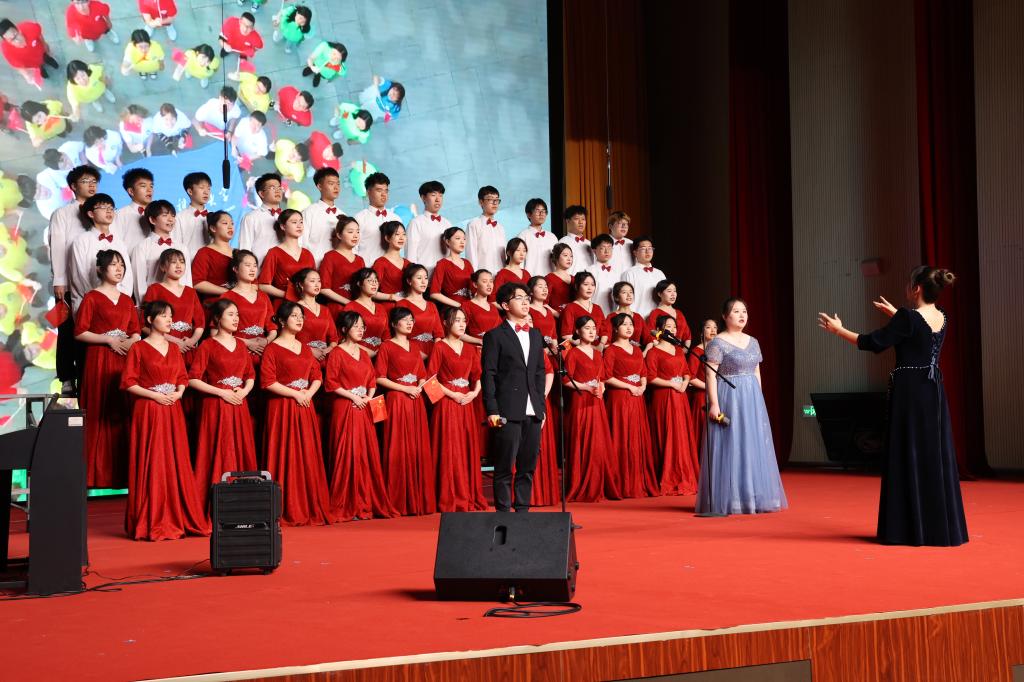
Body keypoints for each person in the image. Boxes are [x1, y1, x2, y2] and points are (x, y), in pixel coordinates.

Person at [817, 266, 968, 547]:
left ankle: (907, 529)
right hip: (933, 390)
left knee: (907, 451)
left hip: (910, 391)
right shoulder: (942, 316)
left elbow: (871, 343)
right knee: (932, 453)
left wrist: (838, 330)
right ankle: (938, 529)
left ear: (916, 288)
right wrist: (897, 315)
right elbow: (918, 334)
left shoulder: (907, 318)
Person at [122, 300, 209, 540]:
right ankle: (152, 518)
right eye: (164, 315)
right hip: (149, 410)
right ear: (150, 320)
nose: (170, 320)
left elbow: (182, 378)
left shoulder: (174, 348)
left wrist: (179, 393)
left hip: (172, 409)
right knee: (152, 460)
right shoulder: (138, 348)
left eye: (171, 315)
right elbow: (128, 382)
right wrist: (155, 396)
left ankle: (176, 514)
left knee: (175, 459)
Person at [697, 298, 787, 516]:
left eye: (744, 311)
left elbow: (756, 371)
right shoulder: (718, 342)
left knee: (752, 444)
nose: (741, 315)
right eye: (736, 311)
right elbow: (710, 374)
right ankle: (732, 498)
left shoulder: (753, 341)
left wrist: (759, 400)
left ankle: (753, 496)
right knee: (732, 443)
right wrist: (714, 403)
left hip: (751, 397)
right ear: (725, 316)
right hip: (729, 395)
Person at [261, 302, 335, 526]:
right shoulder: (272, 348)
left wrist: (308, 394)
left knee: (307, 453)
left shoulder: (304, 347)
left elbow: (317, 376)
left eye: (301, 316)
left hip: (304, 405)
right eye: (294, 316)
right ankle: (287, 506)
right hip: (282, 407)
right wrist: (296, 394)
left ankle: (310, 504)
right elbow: (267, 381)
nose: (300, 319)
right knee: (285, 453)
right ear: (282, 321)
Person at [74, 250, 140, 488]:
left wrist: (130, 342)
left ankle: (123, 473)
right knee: (98, 409)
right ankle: (94, 475)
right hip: (99, 359)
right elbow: (80, 332)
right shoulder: (91, 297)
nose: (119, 269)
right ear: (100, 270)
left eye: (121, 265)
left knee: (122, 410)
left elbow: (136, 331)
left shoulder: (127, 300)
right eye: (113, 265)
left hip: (123, 359)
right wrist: (108, 340)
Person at [324, 311, 397, 521]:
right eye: (356, 326)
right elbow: (331, 382)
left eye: (362, 326)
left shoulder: (364, 354)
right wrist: (353, 397)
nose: (360, 330)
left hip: (364, 406)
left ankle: (365, 501)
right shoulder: (336, 353)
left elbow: (372, 380)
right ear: (344, 329)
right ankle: (347, 502)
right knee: (346, 453)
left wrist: (367, 397)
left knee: (366, 453)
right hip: (345, 407)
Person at [481, 282, 547, 512]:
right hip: (507, 409)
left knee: (527, 466)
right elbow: (488, 375)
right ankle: (503, 514)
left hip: (533, 409)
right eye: (519, 298)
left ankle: (522, 512)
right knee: (504, 466)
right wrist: (492, 409)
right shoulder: (495, 336)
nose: (526, 301)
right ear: (505, 305)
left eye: (527, 297)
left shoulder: (536, 335)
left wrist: (541, 407)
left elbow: (539, 373)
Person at [188, 298, 257, 509]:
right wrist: (221, 393)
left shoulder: (241, 345)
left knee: (240, 449)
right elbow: (193, 379)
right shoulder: (207, 345)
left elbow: (250, 375)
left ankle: (244, 504)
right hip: (216, 406)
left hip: (239, 405)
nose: (236, 319)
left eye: (237, 315)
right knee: (217, 450)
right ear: (217, 318)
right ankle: (217, 504)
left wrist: (244, 391)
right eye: (231, 314)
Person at [429, 307, 487, 512]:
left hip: (466, 402)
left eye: (464, 321)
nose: (462, 324)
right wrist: (452, 394)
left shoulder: (470, 349)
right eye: (457, 320)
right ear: (446, 323)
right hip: (447, 403)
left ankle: (467, 494)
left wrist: (474, 393)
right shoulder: (439, 347)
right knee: (449, 448)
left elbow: (478, 376)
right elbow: (431, 380)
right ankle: (449, 496)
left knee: (465, 447)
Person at [376, 307, 433, 516]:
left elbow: (422, 374)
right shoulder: (386, 346)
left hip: (415, 400)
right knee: (396, 446)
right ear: (394, 324)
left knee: (417, 447)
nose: (410, 323)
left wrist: (418, 386)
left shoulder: (414, 346)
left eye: (411, 320)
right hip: (397, 400)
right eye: (405, 320)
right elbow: (379, 377)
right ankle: (397, 500)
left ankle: (418, 500)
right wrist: (405, 388)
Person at [562, 316, 620, 502]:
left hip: (596, 401)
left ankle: (598, 483)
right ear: (578, 331)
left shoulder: (597, 353)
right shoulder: (573, 353)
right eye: (587, 328)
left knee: (598, 443)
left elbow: (601, 378)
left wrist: (601, 387)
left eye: (594, 328)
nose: (592, 331)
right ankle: (581, 484)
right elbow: (566, 380)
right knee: (582, 440)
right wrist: (586, 387)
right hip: (581, 401)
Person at [50, 165, 97, 392]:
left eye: (94, 181)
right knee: (67, 330)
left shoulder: (101, 211)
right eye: (86, 181)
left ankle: (88, 376)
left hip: (94, 282)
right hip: (68, 283)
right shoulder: (63, 213)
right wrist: (59, 279)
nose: (91, 185)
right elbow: (58, 247)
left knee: (91, 330)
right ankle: (67, 378)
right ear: (73, 186)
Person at [604, 313, 659, 498]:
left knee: (636, 438)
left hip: (637, 398)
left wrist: (642, 386)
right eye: (624, 324)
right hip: (619, 398)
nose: (629, 328)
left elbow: (644, 372)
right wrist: (629, 386)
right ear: (615, 328)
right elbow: (607, 376)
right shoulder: (611, 350)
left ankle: (637, 482)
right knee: (620, 436)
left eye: (631, 324)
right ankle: (621, 483)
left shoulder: (636, 350)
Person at [647, 315, 699, 496]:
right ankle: (668, 476)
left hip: (680, 396)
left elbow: (686, 371)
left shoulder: (678, 350)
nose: (673, 330)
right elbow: (651, 377)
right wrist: (671, 384)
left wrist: (684, 382)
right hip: (664, 397)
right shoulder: (653, 352)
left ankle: (684, 474)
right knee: (667, 433)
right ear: (659, 329)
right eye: (669, 326)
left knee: (681, 435)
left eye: (674, 327)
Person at [69, 193, 135, 311]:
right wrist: (99, 299)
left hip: (119, 304)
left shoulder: (119, 242)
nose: (109, 211)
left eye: (111, 208)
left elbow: (128, 274)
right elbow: (79, 277)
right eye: (103, 207)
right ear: (91, 214)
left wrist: (121, 299)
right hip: (91, 305)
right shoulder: (82, 240)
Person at [141, 249, 204, 363]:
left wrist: (191, 342)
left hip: (188, 347)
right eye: (173, 262)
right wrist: (174, 341)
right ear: (162, 267)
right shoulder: (154, 289)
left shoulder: (191, 292)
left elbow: (200, 323)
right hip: (163, 345)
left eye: (182, 262)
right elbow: (143, 325)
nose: (179, 266)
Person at [221, 249, 276, 366]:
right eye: (247, 265)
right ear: (235, 269)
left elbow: (273, 328)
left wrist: (266, 340)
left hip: (263, 354)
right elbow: (216, 332)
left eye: (255, 266)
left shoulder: (263, 296)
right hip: (237, 353)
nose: (252, 269)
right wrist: (247, 343)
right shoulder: (227, 297)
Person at [132, 199, 191, 300]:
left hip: (180, 302)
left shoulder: (182, 247)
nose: (171, 219)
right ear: (152, 220)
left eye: (173, 215)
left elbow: (187, 280)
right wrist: (146, 306)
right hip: (155, 303)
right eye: (165, 215)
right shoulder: (142, 247)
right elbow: (139, 284)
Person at [257, 209, 315, 302]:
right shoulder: (274, 253)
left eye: (301, 222)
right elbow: (263, 285)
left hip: (306, 304)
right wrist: (289, 295)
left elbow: (315, 281)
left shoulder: (308, 254)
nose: (299, 225)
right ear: (283, 226)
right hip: (284, 305)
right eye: (294, 222)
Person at [395, 264, 443, 361]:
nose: (423, 282)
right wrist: (418, 355)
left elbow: (438, 334)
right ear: (409, 281)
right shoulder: (402, 304)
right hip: (411, 353)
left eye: (426, 278)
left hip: (434, 353)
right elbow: (400, 335)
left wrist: (435, 355)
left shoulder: (432, 305)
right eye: (419, 278)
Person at [318, 214, 364, 314]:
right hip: (336, 309)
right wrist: (349, 303)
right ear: (339, 235)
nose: (355, 235)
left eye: (358, 231)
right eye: (350, 232)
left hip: (357, 310)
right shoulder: (330, 257)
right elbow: (324, 289)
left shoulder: (360, 260)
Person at [292, 268, 338, 366]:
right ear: (301, 284)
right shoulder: (294, 308)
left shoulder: (325, 310)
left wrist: (327, 350)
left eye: (319, 281)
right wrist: (310, 351)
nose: (317, 285)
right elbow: (288, 337)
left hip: (325, 359)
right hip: (302, 359)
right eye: (312, 281)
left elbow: (334, 338)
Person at [406, 181, 450, 278]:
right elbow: (410, 256)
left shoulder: (447, 223)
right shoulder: (416, 223)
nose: (438, 199)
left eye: (440, 195)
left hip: (444, 278)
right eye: (433, 195)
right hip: (424, 279)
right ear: (423, 198)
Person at [1, 18, 60, 89]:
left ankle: (53, 63)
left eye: (15, 35)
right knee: (42, 72)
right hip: (33, 65)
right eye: (12, 40)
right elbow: (17, 66)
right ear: (6, 41)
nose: (16, 40)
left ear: (18, 29)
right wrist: (26, 75)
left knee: (50, 60)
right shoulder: (6, 50)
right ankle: (43, 72)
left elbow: (40, 36)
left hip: (43, 54)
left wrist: (46, 48)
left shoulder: (29, 27)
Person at [238, 172, 285, 263]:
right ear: (261, 193)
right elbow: (244, 249)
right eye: (273, 188)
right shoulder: (251, 218)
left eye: (279, 188)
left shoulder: (288, 218)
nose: (278, 191)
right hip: (260, 269)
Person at [688, 318, 718, 455]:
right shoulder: (697, 351)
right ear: (702, 332)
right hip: (702, 397)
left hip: (718, 395)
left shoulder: (718, 351)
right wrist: (709, 386)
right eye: (708, 327)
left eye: (715, 327)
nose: (713, 330)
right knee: (702, 432)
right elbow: (691, 377)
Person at [344, 267, 389, 357]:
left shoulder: (381, 308)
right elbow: (344, 339)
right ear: (359, 283)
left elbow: (387, 335)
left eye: (376, 280)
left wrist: (383, 352)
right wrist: (370, 353)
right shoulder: (351, 307)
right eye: (370, 280)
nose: (374, 283)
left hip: (381, 355)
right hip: (358, 355)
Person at [353, 172, 395, 265]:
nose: (383, 194)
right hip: (368, 270)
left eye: (386, 191)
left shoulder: (395, 218)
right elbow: (353, 249)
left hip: (391, 270)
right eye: (379, 190)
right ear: (368, 192)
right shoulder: (359, 218)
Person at [301, 167, 340, 264]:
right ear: (319, 186)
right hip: (313, 268)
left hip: (337, 268)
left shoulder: (343, 215)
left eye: (338, 184)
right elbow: (301, 243)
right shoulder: (308, 213)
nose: (336, 187)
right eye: (331, 183)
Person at [429, 227, 473, 309]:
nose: (462, 242)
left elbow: (474, 288)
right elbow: (434, 293)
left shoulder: (467, 263)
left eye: (464, 239)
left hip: (469, 307)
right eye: (458, 238)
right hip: (452, 309)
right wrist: (459, 306)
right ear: (448, 241)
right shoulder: (442, 264)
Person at [621, 236, 665, 318]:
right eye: (643, 248)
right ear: (635, 252)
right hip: (638, 319)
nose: (648, 251)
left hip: (658, 320)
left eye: (650, 248)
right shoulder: (629, 273)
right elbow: (624, 300)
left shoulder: (660, 274)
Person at [466, 186, 506, 275]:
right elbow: (471, 253)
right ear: (481, 202)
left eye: (497, 200)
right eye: (490, 199)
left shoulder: (500, 227)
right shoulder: (473, 224)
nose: (495, 203)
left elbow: (504, 256)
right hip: (482, 276)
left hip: (500, 276)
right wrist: (475, 277)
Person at [111, 167, 153, 251]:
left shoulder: (158, 213)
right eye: (143, 186)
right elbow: (115, 244)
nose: (149, 190)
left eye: (151, 186)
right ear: (131, 191)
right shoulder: (120, 214)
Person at [560, 271, 607, 345]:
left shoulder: (597, 308)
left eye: (592, 285)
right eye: (585, 284)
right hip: (579, 348)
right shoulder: (570, 307)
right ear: (576, 286)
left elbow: (604, 332)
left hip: (598, 349)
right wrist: (584, 345)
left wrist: (601, 345)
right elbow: (566, 335)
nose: (590, 288)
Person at [371, 221, 409, 309]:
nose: (401, 238)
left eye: (404, 234)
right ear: (387, 238)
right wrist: (392, 297)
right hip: (389, 308)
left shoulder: (408, 263)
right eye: (397, 234)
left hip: (407, 308)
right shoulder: (380, 263)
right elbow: (370, 292)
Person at [174, 172, 212, 258]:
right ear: (190, 191)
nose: (206, 192)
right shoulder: (179, 218)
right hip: (188, 262)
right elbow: (176, 245)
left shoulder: (214, 217)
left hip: (210, 263)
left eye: (209, 188)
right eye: (201, 188)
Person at [602, 281, 650, 349]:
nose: (629, 295)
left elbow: (649, 339)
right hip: (617, 352)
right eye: (624, 292)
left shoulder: (638, 317)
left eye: (631, 292)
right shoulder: (611, 317)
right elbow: (606, 342)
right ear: (616, 297)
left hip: (636, 353)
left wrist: (644, 353)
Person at [516, 198, 557, 276]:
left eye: (543, 211)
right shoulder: (522, 236)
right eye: (537, 211)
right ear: (529, 214)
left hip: (550, 280)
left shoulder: (552, 237)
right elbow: (519, 263)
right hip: (530, 280)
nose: (541, 214)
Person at [646, 280, 692, 348]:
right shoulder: (655, 313)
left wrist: (684, 350)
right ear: (659, 294)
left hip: (679, 352)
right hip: (662, 350)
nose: (673, 294)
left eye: (675, 291)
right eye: (669, 291)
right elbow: (649, 333)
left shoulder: (679, 313)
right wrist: (663, 348)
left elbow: (687, 336)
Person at [461, 270, 502, 345]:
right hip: (477, 349)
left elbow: (501, 330)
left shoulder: (493, 307)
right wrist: (480, 341)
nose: (489, 285)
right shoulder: (466, 306)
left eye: (491, 281)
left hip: (495, 348)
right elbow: (458, 333)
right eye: (484, 281)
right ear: (475, 284)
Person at [492, 238, 530, 302]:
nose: (522, 254)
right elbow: (493, 299)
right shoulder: (502, 273)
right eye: (518, 250)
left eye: (524, 251)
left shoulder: (526, 273)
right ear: (508, 252)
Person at [527, 276, 559, 350]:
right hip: (534, 350)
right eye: (540, 287)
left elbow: (554, 336)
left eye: (546, 287)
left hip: (551, 352)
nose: (544, 290)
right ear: (531, 291)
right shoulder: (527, 310)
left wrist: (555, 350)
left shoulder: (549, 311)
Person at [558, 205, 592, 275]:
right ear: (568, 221)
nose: (581, 222)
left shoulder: (589, 244)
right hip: (570, 280)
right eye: (577, 219)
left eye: (583, 219)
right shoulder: (562, 242)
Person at [588, 234, 619, 310]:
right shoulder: (589, 271)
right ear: (594, 250)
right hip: (594, 312)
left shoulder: (616, 272)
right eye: (603, 248)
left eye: (609, 247)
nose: (607, 251)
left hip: (613, 314)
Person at [544, 243, 574, 313]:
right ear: (556, 257)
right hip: (556, 317)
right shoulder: (549, 278)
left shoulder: (574, 279)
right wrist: (558, 315)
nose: (569, 259)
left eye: (571, 256)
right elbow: (544, 303)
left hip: (573, 317)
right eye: (565, 255)